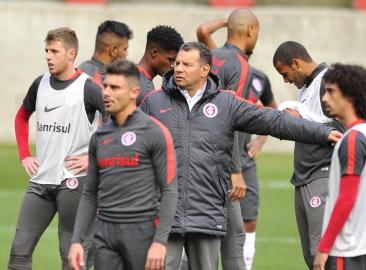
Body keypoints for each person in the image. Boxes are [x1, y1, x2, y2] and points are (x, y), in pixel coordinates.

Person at [140, 41, 341, 270]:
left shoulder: (226, 103)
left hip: (206, 214)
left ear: (205, 69)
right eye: (177, 63)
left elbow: (275, 121)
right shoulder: (154, 102)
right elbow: (130, 140)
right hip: (166, 216)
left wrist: (322, 133)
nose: (178, 69)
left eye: (187, 64)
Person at [10, 27, 105, 270]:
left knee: (70, 257)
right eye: (46, 51)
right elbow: (21, 118)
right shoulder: (40, 84)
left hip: (74, 183)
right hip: (41, 181)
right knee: (19, 251)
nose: (48, 56)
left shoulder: (89, 88)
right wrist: (24, 155)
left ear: (71, 53)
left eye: (54, 51)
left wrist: (93, 160)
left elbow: (119, 124)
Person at [68, 60, 177, 270]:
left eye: (115, 87)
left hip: (142, 233)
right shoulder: (99, 137)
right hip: (105, 233)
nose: (106, 93)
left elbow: (169, 190)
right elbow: (90, 193)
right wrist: (76, 240)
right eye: (106, 86)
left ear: (134, 92)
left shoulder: (154, 132)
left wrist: (160, 241)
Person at [197, 17, 277, 270]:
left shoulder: (209, 57)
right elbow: (228, 120)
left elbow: (268, 110)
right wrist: (235, 171)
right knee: (232, 234)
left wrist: (261, 140)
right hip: (229, 159)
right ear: (252, 30)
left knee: (198, 229)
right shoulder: (239, 66)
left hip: (202, 154)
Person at [273, 41, 345, 269]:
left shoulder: (328, 80)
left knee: (323, 255)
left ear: (296, 64)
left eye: (285, 74)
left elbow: (344, 129)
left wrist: (301, 118)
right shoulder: (308, 88)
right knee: (311, 256)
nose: (286, 80)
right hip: (304, 177)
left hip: (322, 175)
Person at [313, 64, 366, 270]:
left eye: (331, 91)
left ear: (350, 95)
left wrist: (323, 248)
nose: (324, 98)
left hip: (346, 247)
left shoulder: (353, 139)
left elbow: (347, 198)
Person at [136, 25, 184, 105]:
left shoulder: (128, 73)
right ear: (154, 53)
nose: (173, 66)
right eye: (171, 60)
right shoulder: (145, 91)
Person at [79, 20, 133, 86]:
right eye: (125, 49)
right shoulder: (94, 81)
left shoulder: (82, 70)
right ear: (113, 50)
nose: (126, 53)